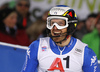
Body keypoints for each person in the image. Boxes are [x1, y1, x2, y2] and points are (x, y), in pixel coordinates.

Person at [21, 5, 99, 72]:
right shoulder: (36, 47)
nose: (55, 28)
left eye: (60, 24)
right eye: (51, 23)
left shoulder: (85, 53)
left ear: (71, 26)